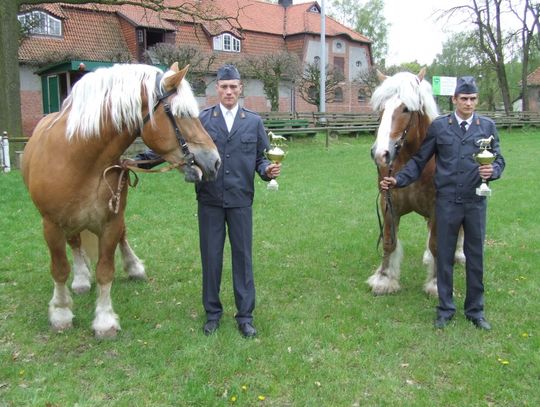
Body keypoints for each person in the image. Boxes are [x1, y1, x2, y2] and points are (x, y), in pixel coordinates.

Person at [135, 65, 280, 338]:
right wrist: (139, 160)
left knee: (243, 259)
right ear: (217, 89)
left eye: (233, 87)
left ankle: (245, 316)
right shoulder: (202, 120)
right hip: (210, 200)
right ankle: (212, 314)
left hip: (240, 202)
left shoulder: (253, 122)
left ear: (240, 89)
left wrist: (266, 170)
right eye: (224, 87)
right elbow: (175, 144)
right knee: (211, 259)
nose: (229, 91)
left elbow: (261, 158)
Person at [380, 76, 505, 330]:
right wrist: (398, 179)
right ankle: (445, 309)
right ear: (454, 100)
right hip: (447, 201)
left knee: (475, 257)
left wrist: (492, 171)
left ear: (476, 100)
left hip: (475, 201)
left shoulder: (487, 127)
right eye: (463, 99)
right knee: (444, 255)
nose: (468, 103)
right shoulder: (440, 127)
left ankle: (475, 311)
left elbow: (499, 160)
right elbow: (418, 161)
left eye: (472, 99)